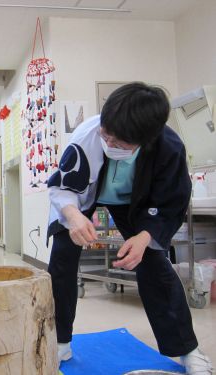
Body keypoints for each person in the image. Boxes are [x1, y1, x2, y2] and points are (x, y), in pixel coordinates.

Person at [46, 82, 213, 374]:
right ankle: (58, 343)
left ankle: (187, 350)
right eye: (106, 135)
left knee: (152, 262)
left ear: (146, 140)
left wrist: (145, 237)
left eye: (120, 144)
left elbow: (170, 203)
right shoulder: (87, 134)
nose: (109, 145)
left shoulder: (169, 148)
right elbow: (62, 187)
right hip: (84, 196)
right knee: (62, 255)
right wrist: (73, 216)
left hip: (135, 204)